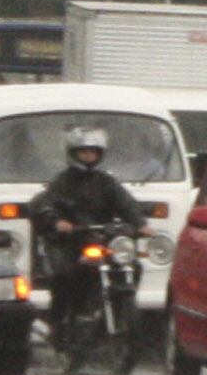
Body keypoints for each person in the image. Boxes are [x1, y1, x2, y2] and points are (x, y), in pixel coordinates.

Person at [27, 127, 148, 350]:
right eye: (84, 152)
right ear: (73, 153)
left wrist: (140, 223)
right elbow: (44, 204)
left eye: (93, 152)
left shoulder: (107, 182)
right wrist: (57, 222)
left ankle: (119, 310)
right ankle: (60, 326)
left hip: (100, 238)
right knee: (65, 276)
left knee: (133, 265)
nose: (89, 156)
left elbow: (127, 204)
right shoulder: (62, 182)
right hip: (69, 242)